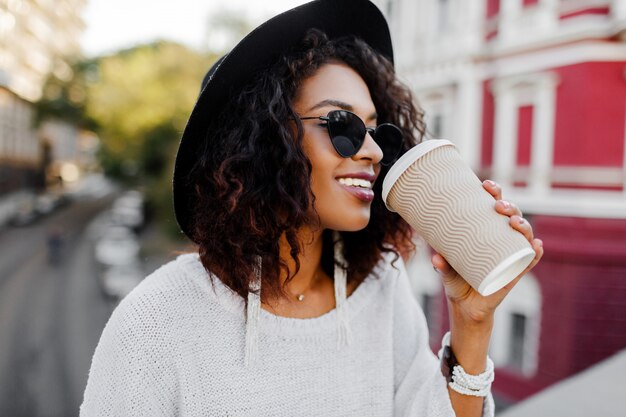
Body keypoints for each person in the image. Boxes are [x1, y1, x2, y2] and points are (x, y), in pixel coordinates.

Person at [80, 1, 543, 416]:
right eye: (342, 125)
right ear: (262, 139)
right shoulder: (157, 319)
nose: (375, 153)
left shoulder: (383, 288)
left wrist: (472, 321)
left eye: (378, 133)